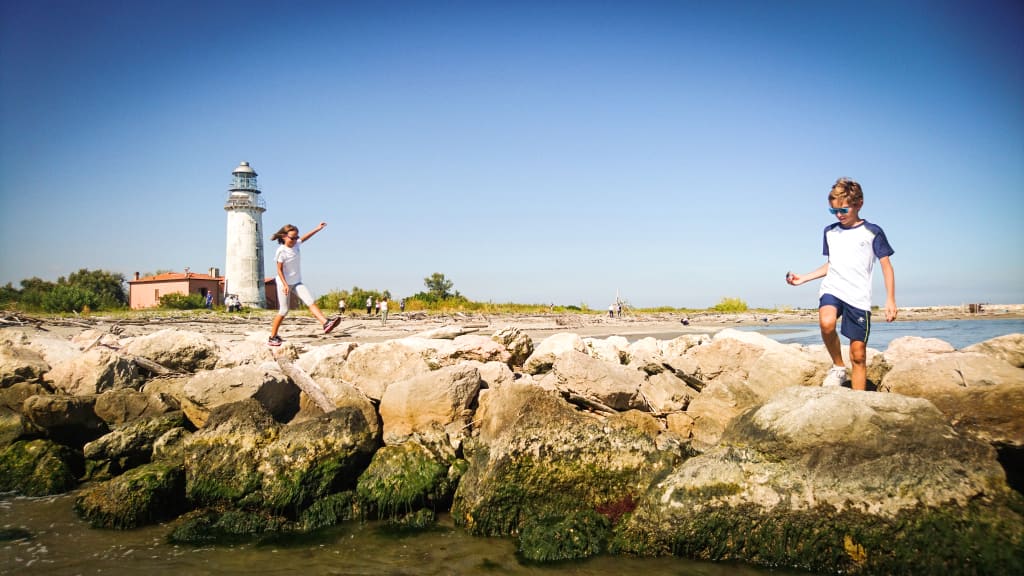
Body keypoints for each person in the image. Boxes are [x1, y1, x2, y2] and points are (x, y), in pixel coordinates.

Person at [787, 178, 897, 391]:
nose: (838, 215)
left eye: (843, 210)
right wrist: (804, 278)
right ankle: (838, 366)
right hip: (833, 289)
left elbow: (886, 266)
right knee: (826, 323)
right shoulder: (830, 232)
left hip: (858, 297)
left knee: (858, 355)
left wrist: (890, 299)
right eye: (833, 211)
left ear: (859, 204)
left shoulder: (873, 232)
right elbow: (832, 264)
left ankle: (858, 400)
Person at [267, 222, 341, 346]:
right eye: (292, 238)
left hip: (296, 282)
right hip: (283, 283)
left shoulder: (296, 244)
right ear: (284, 237)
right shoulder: (281, 251)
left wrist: (317, 228)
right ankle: (272, 337)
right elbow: (279, 270)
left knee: (310, 300)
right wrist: (285, 285)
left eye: (296, 237)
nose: (295, 240)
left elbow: (305, 237)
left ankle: (325, 323)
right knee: (284, 310)